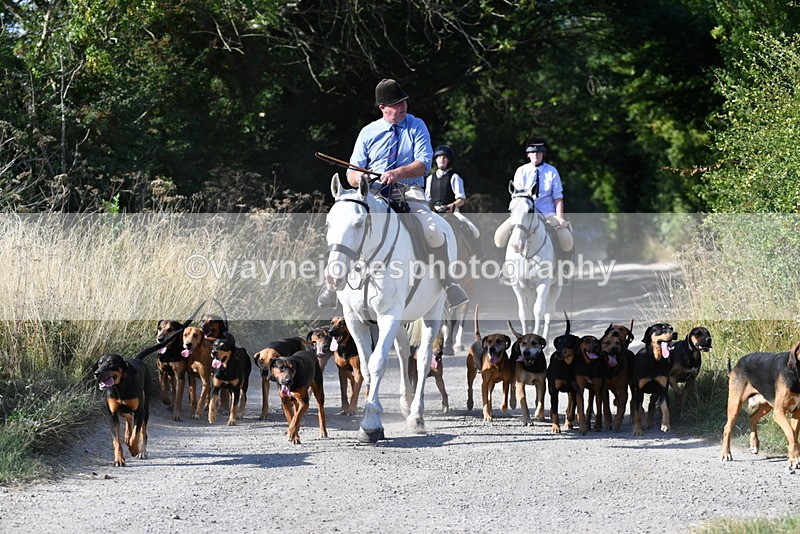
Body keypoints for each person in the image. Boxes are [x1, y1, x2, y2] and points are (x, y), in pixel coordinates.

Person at [317, 79, 469, 309]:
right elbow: (351, 173)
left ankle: (449, 284)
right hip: (374, 193)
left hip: (409, 191)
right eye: (397, 103)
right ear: (383, 108)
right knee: (344, 223)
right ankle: (330, 284)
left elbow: (424, 163)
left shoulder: (417, 126)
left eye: (404, 101)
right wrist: (362, 179)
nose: (403, 106)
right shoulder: (368, 132)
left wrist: (399, 173)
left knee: (433, 231)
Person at [494, 137, 573, 253]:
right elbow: (517, 198)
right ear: (528, 155)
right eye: (532, 152)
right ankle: (502, 267)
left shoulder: (552, 171)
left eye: (539, 152)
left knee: (566, 240)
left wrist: (560, 218)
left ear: (543, 154)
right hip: (524, 215)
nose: (535, 154)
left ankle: (565, 267)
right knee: (499, 237)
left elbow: (558, 198)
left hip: (547, 215)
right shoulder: (521, 171)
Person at [425, 144, 481, 246]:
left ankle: (477, 255)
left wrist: (449, 207)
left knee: (472, 229)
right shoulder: (430, 179)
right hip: (434, 212)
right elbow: (427, 199)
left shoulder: (454, 177)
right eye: (439, 157)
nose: (442, 159)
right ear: (436, 160)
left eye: (445, 158)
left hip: (452, 211)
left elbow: (461, 199)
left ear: (449, 161)